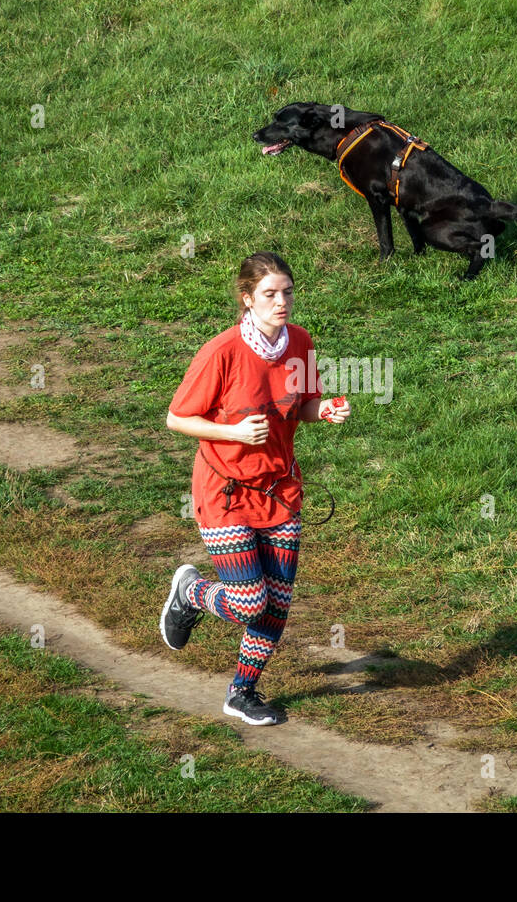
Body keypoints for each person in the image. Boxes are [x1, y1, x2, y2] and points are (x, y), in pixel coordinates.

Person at [162, 251, 351, 725]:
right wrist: (234, 433)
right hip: (225, 490)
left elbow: (303, 405)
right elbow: (176, 418)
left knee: (277, 604)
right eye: (269, 294)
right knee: (250, 601)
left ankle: (242, 692)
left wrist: (323, 410)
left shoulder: (301, 343)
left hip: (280, 491)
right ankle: (191, 592)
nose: (281, 301)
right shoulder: (221, 352)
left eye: (287, 292)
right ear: (247, 299)